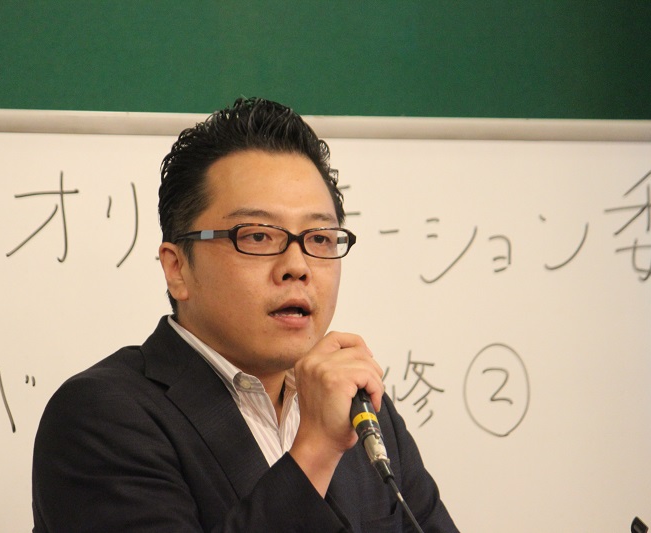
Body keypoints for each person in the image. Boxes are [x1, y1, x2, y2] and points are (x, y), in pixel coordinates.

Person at [31, 97, 458, 532]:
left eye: (320, 238)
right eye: (257, 236)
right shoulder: (100, 416)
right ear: (177, 269)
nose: (298, 266)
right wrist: (314, 451)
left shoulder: (363, 412)